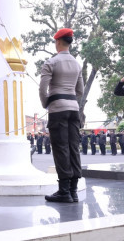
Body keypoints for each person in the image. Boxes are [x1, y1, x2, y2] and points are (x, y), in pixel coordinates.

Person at [39, 28, 84, 203]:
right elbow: (79, 90)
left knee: (61, 149)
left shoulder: (51, 62)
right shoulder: (77, 64)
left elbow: (43, 89)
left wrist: (46, 103)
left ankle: (64, 191)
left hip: (58, 109)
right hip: (74, 109)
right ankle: (73, 191)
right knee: (73, 147)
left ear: (58, 42)